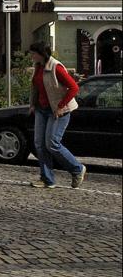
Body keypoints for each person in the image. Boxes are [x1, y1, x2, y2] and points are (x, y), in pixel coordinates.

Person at [28, 42, 84, 189]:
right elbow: (36, 87)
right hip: (42, 109)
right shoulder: (38, 66)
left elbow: (74, 87)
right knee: (39, 144)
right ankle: (47, 179)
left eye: (33, 53)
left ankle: (77, 169)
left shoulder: (56, 67)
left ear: (41, 54)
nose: (31, 56)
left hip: (59, 111)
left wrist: (60, 107)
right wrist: (32, 105)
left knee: (52, 143)